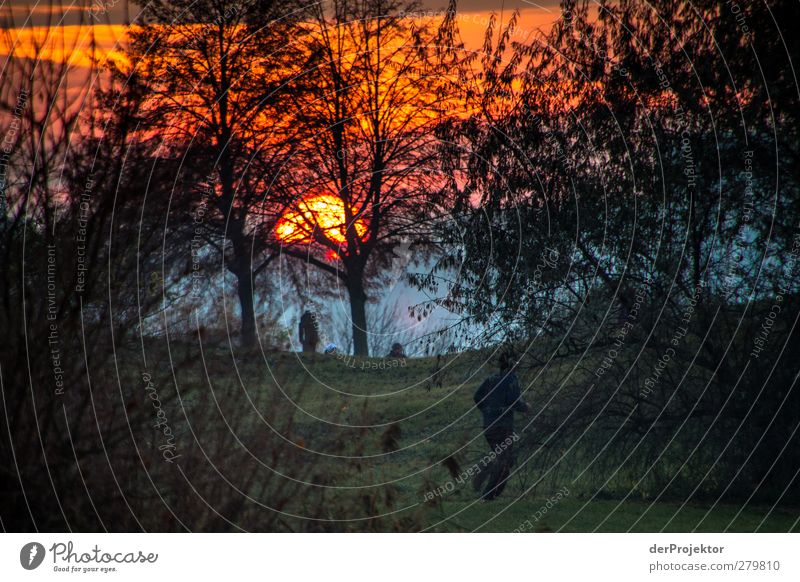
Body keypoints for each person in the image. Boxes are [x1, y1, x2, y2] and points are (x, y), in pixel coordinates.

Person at [473, 350, 529, 501]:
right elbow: (515, 402)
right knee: (506, 460)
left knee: (502, 457)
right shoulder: (512, 379)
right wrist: (526, 408)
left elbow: (477, 397)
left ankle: (486, 477)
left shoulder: (491, 379)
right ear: (512, 363)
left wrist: (487, 410)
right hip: (503, 426)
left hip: (488, 426)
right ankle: (488, 494)